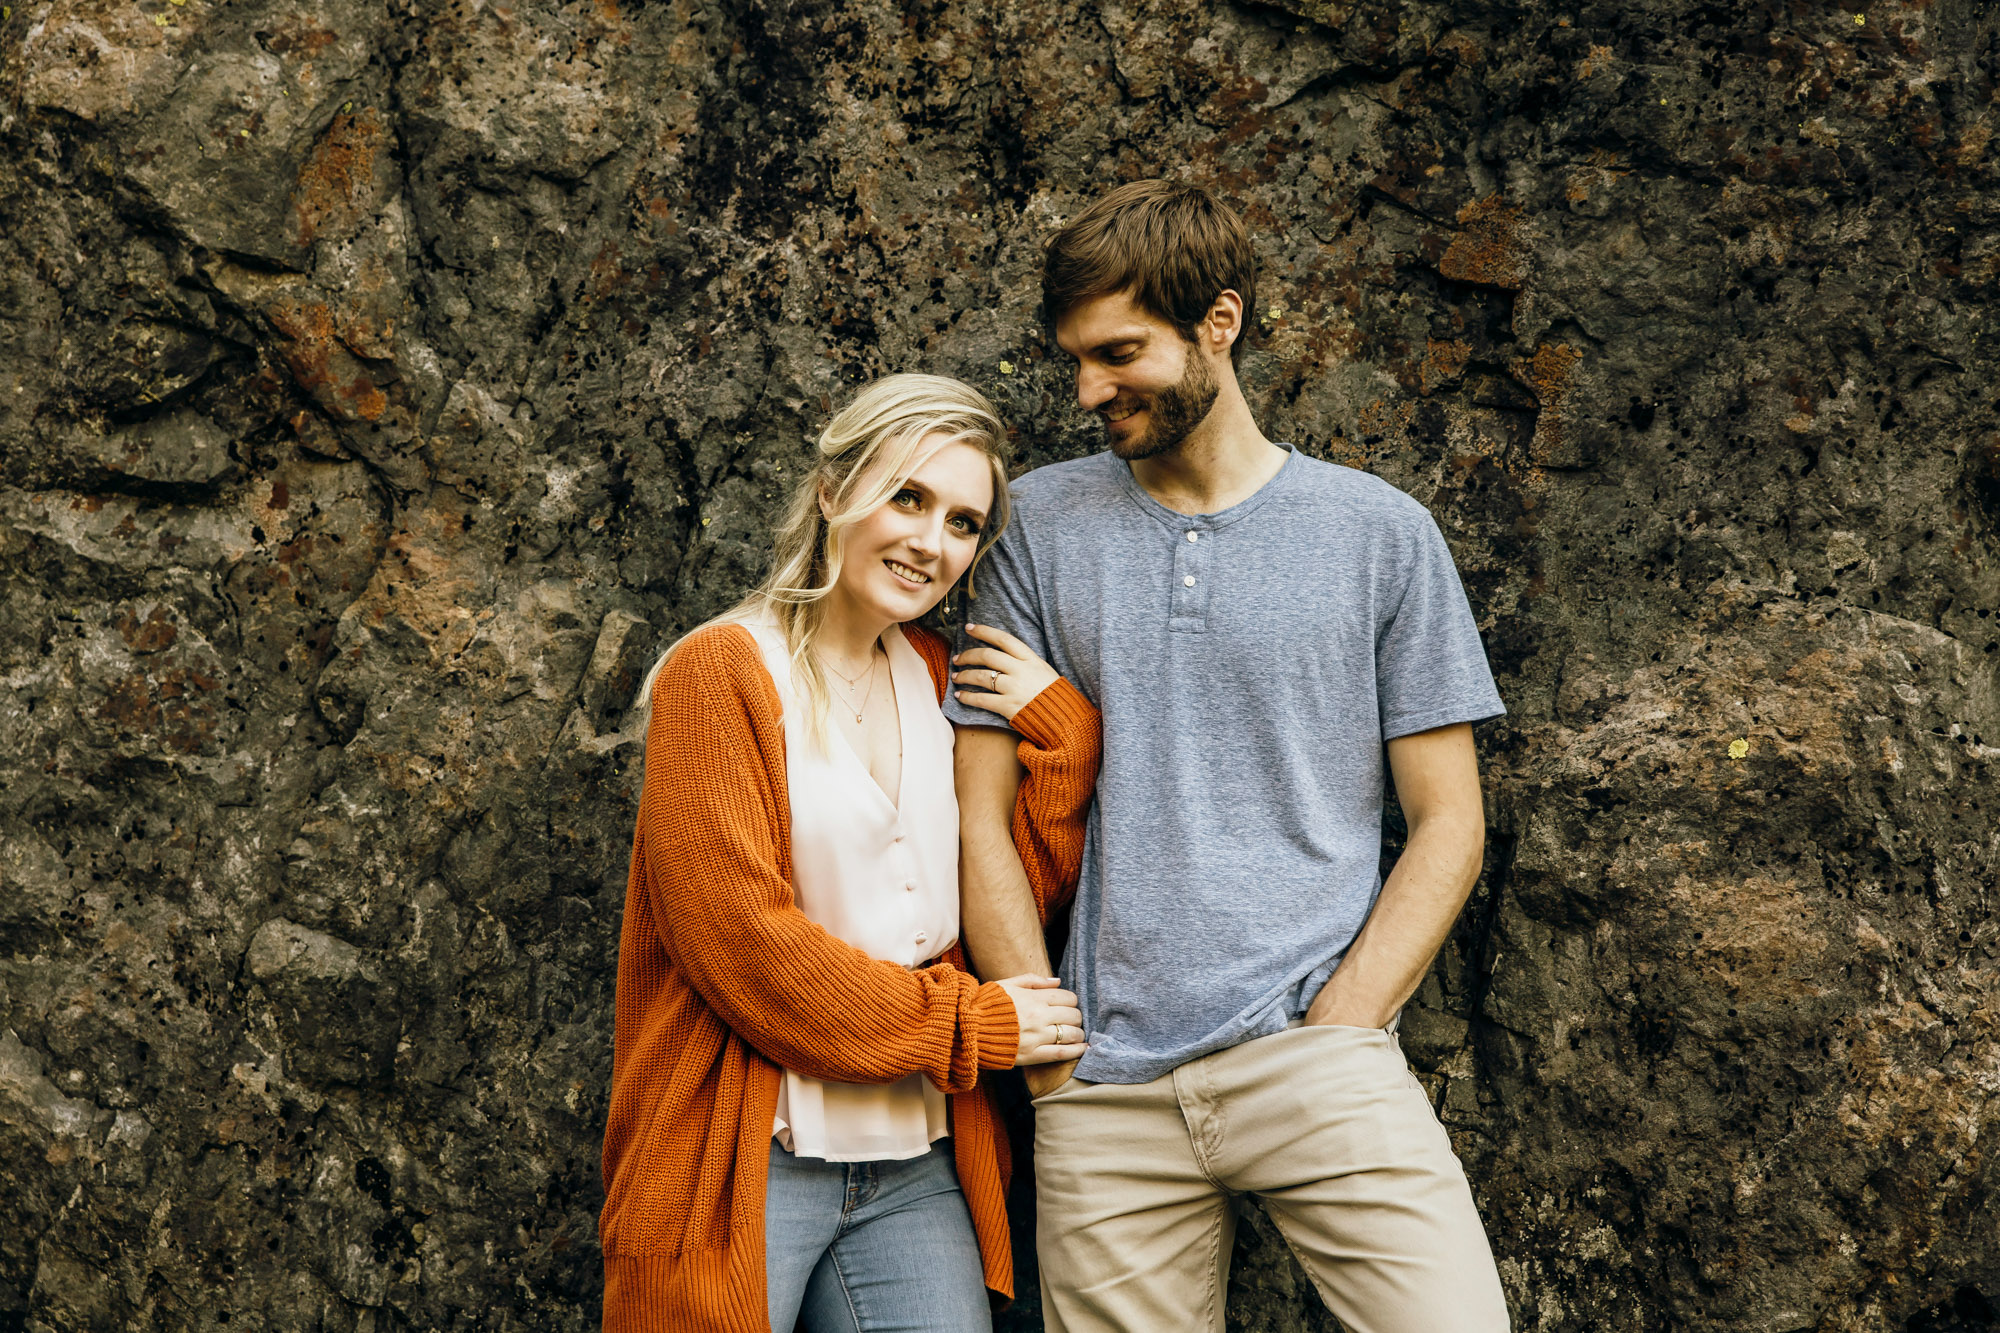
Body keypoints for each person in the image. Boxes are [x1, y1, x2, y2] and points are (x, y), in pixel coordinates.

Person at [947, 181, 1513, 1333]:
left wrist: (1347, 1020)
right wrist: (1047, 1053)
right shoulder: (1032, 528)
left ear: (1220, 321)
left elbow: (1447, 819)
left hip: (1314, 1058)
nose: (1087, 391)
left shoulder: (1378, 534)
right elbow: (978, 815)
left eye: (1117, 353)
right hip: (1104, 1092)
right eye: (1074, 361)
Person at [599, 374, 1101, 1333]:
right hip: (747, 1154)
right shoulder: (724, 671)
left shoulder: (936, 675)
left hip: (914, 1162)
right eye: (908, 497)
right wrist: (973, 1027)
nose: (930, 542)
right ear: (834, 489)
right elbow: (744, 947)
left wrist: (1065, 737)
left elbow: (995, 901)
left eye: (963, 522)